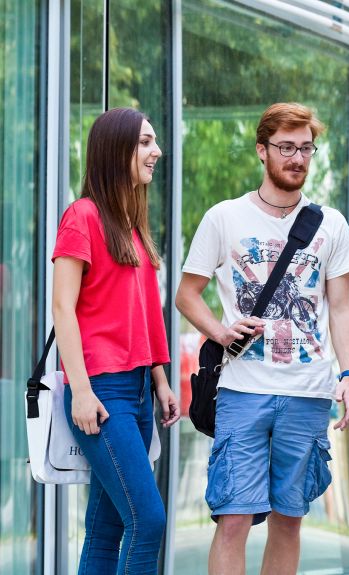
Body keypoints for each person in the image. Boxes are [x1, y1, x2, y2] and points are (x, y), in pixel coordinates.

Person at [175, 102, 349, 575]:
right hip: (241, 389)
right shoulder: (224, 218)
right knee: (233, 520)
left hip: (308, 392)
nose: (297, 158)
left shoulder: (331, 225)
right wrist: (219, 330)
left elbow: (340, 307)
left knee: (289, 521)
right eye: (286, 148)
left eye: (305, 148)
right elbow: (187, 294)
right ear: (262, 151)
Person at [52, 107, 180, 574]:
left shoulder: (131, 225)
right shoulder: (82, 216)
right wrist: (81, 391)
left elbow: (146, 314)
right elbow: (62, 307)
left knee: (106, 532)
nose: (157, 152)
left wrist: (161, 380)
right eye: (146, 142)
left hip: (139, 390)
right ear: (117, 149)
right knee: (148, 521)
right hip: (101, 392)